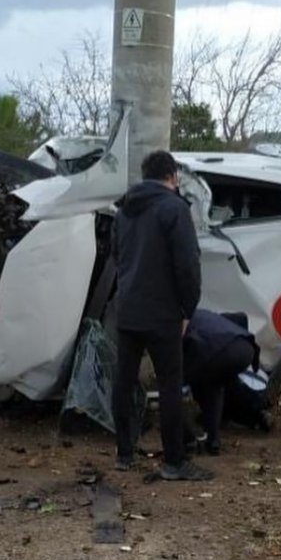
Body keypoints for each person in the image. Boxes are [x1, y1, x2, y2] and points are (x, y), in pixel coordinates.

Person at [112, 149, 205, 481]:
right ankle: (174, 462)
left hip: (127, 310)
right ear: (172, 176)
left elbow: (116, 256)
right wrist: (187, 308)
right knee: (169, 384)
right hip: (163, 313)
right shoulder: (174, 209)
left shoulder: (123, 211)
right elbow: (188, 265)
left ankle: (124, 454)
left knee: (124, 382)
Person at [183, 309, 259, 456]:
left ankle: (190, 439)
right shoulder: (197, 313)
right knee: (214, 386)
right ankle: (212, 440)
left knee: (191, 384)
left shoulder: (176, 320)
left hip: (218, 351)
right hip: (245, 349)